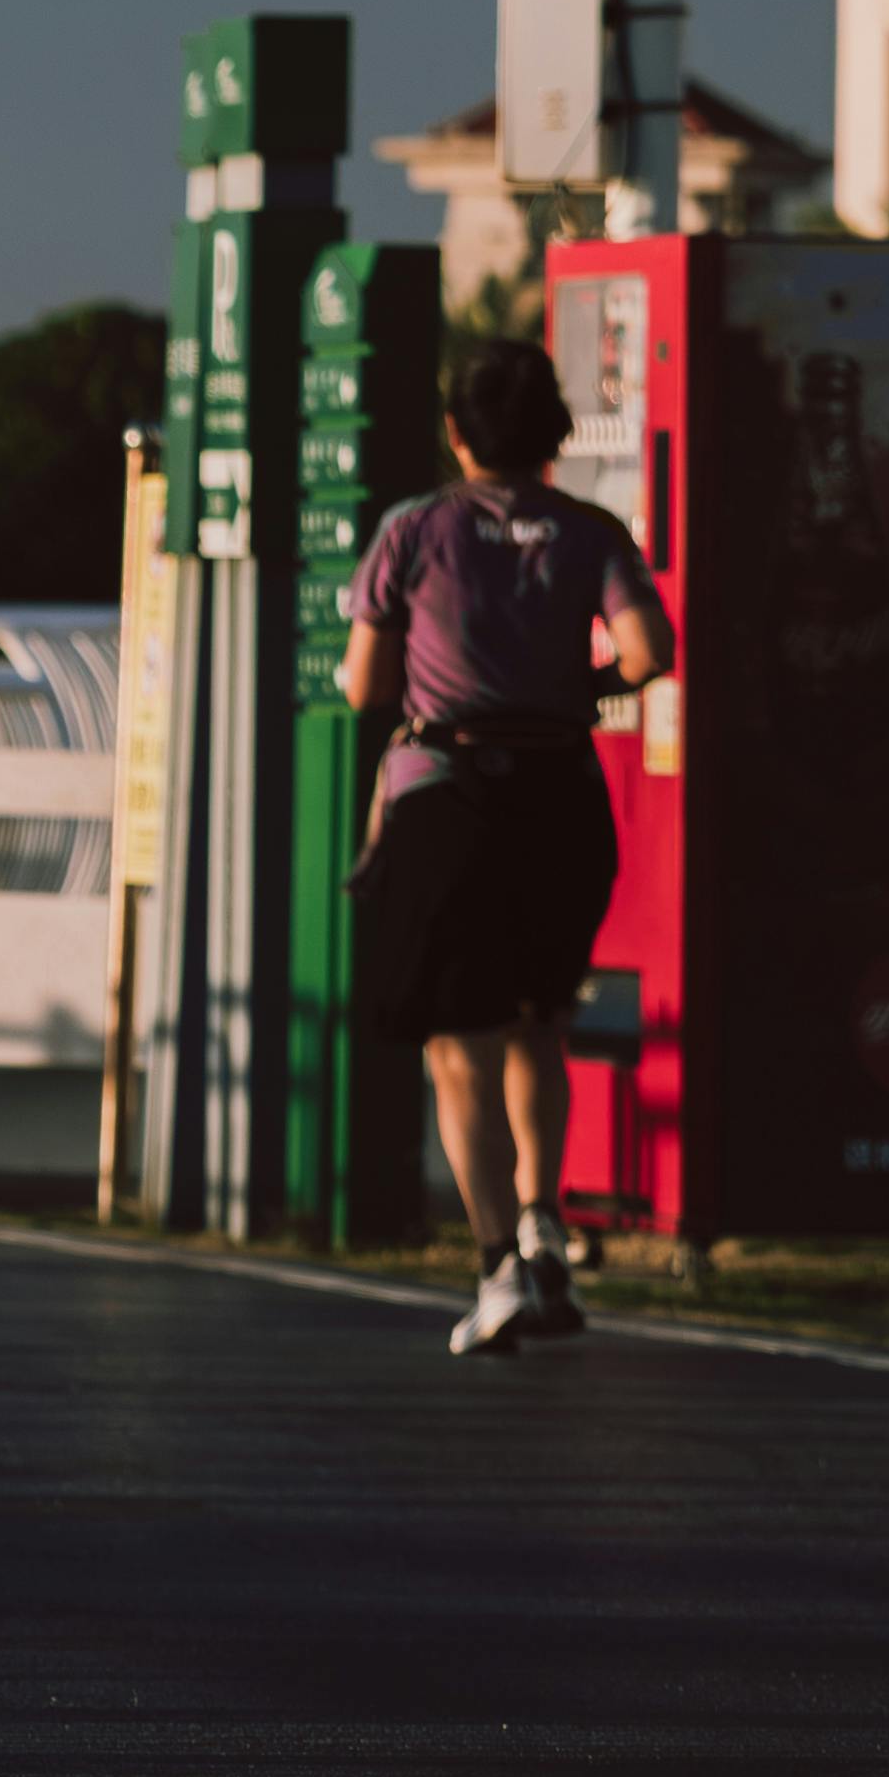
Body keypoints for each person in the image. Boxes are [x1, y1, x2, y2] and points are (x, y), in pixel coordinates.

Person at [337, 335, 675, 1358]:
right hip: (563, 801)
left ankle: (495, 1270)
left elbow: (365, 687)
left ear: (455, 432)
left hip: (450, 800)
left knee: (458, 1048)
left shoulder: (413, 530)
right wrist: (576, 692)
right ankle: (545, 1223)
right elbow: (651, 653)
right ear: (555, 437)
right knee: (539, 1022)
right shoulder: (591, 530)